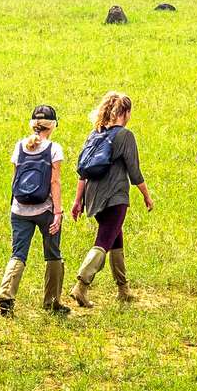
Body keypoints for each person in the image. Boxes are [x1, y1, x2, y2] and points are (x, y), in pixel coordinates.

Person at [69, 92, 151, 307]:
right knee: (104, 241)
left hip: (93, 196)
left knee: (116, 238)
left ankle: (123, 289)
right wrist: (147, 196)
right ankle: (81, 285)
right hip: (115, 196)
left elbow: (82, 172)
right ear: (126, 112)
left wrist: (78, 201)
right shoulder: (125, 135)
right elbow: (134, 172)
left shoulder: (95, 133)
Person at [0, 104, 70, 317]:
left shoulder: (19, 146)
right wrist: (58, 212)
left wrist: (14, 205)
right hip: (45, 209)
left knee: (18, 253)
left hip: (19, 209)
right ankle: (52, 301)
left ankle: (6, 294)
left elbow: (14, 179)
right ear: (52, 125)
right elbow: (55, 182)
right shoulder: (54, 148)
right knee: (53, 254)